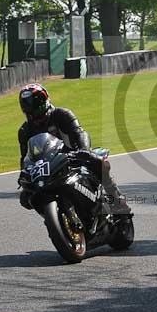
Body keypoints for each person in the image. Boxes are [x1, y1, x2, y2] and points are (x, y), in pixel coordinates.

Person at [17, 83, 131, 216]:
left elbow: (79, 133)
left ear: (44, 100)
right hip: (49, 168)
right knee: (27, 198)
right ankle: (55, 219)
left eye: (35, 103)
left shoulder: (61, 114)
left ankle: (117, 200)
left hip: (73, 157)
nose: (32, 108)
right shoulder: (25, 131)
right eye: (28, 105)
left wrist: (84, 150)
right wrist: (23, 175)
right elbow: (25, 157)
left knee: (98, 163)